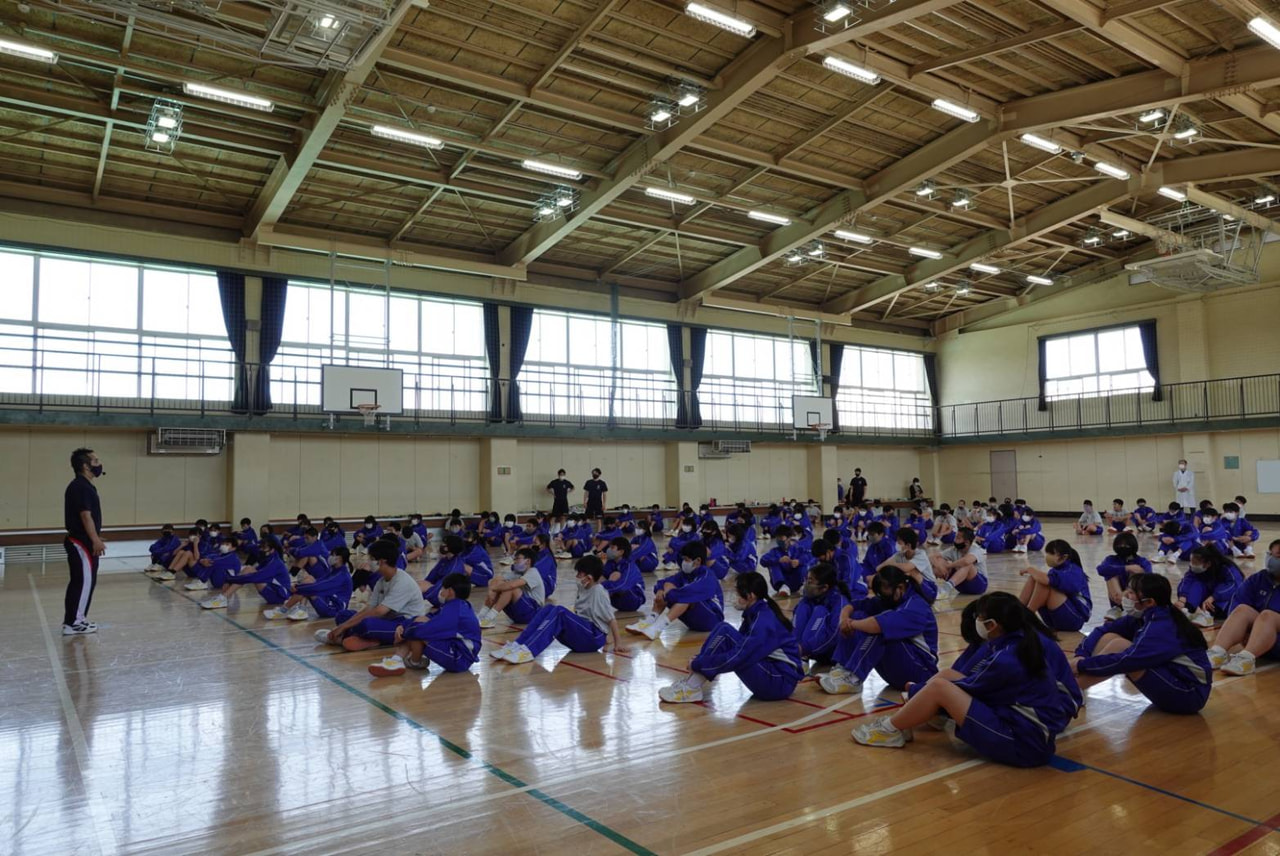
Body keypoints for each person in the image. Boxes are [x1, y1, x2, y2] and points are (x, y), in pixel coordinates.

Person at [852, 592, 1081, 764]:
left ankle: (890, 729)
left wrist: (916, 692)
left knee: (940, 688)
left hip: (1024, 742)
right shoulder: (1018, 641)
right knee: (945, 678)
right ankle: (905, 721)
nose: (977, 623)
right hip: (1028, 728)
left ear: (993, 625)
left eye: (980, 618)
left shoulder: (1009, 656)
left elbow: (973, 689)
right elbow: (971, 681)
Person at [1073, 574, 1211, 714]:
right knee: (1109, 637)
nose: (1126, 595)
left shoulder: (1162, 625)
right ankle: (1074, 687)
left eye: (1131, 592)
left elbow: (1127, 661)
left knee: (1120, 647)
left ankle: (1070, 690)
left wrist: (1080, 665)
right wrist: (1081, 655)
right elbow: (1102, 630)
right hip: (1170, 678)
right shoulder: (1143, 616)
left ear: (1149, 602)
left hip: (1189, 694)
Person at [658, 571, 803, 703]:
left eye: (738, 593)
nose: (735, 597)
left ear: (751, 596)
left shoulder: (763, 620)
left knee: (725, 632)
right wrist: (702, 661)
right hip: (771, 674)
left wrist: (700, 663)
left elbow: (739, 656)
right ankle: (692, 684)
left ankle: (691, 687)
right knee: (723, 629)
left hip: (778, 683)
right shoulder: (756, 612)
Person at [817, 566, 939, 695]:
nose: (882, 597)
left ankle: (854, 679)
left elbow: (878, 625)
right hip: (897, 672)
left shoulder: (916, 606)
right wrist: (844, 620)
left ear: (901, 587)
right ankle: (843, 668)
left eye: (885, 591)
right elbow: (852, 605)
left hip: (921, 672)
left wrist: (851, 625)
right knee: (859, 615)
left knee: (880, 631)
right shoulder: (891, 598)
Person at [491, 556, 623, 664]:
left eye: (580, 573)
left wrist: (617, 644)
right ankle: (517, 645)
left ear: (589, 577)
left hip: (593, 637)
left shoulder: (599, 592)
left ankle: (528, 651)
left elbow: (611, 620)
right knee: (548, 608)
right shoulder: (583, 586)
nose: (577, 576)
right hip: (583, 632)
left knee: (560, 611)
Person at [315, 540, 427, 650]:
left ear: (382, 561)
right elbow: (370, 608)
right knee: (343, 615)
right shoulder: (381, 581)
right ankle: (367, 639)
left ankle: (344, 637)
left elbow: (379, 611)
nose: (368, 562)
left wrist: (344, 627)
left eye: (372, 559)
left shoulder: (402, 581)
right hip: (387, 619)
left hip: (403, 624)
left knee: (366, 624)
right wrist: (345, 624)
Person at [367, 573, 483, 676]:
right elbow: (428, 617)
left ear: (450, 592)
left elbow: (429, 630)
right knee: (418, 622)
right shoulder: (456, 606)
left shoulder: (455, 610)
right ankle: (399, 660)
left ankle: (411, 661)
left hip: (459, 658)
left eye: (443, 588)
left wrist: (404, 632)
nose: (440, 591)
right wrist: (404, 625)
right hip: (455, 648)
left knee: (418, 631)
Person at [1206, 544, 1280, 676]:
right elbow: (1236, 608)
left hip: (1275, 641)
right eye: (1274, 555)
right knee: (1242, 609)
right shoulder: (1258, 579)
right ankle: (1218, 652)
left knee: (1268, 616)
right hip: (1255, 641)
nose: (1273, 559)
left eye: (1278, 556)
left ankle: (1247, 658)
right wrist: (1251, 634)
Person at [626, 541, 725, 640]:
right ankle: (649, 621)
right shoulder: (685, 574)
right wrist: (660, 590)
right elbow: (663, 582)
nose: (683, 563)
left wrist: (667, 593)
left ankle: (658, 628)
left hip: (712, 620)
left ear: (698, 560)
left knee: (686, 597)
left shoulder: (707, 576)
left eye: (686, 560)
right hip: (693, 622)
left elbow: (689, 593)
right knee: (667, 586)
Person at [62, 447, 106, 635]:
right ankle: (75, 622)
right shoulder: (80, 486)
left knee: (81, 581)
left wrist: (95, 536)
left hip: (83, 541)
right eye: (95, 461)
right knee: (83, 582)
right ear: (85, 466)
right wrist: (95, 540)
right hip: (81, 544)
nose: (99, 464)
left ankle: (73, 620)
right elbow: (85, 516)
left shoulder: (84, 486)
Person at [200, 536, 292, 610]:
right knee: (248, 569)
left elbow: (255, 577)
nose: (261, 550)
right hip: (272, 590)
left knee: (248, 570)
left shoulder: (275, 563)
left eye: (264, 548)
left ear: (272, 550)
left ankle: (223, 598)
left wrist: (231, 579)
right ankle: (223, 597)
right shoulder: (268, 560)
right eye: (261, 547)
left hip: (280, 596)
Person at [1018, 539, 1092, 632]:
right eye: (1047, 552)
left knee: (1044, 582)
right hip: (1054, 619)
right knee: (1034, 578)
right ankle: (1018, 610)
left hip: (1075, 619)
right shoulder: (1055, 570)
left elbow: (1048, 581)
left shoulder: (1073, 570)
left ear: (1064, 557)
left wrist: (1031, 569)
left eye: (1051, 553)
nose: (1047, 556)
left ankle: (1027, 615)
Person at [267, 545, 354, 621]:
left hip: (334, 609)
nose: (329, 556)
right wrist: (300, 586)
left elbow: (321, 586)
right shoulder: (334, 571)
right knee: (309, 580)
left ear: (339, 558)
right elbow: (320, 581)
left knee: (309, 587)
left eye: (332, 555)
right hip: (328, 600)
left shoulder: (342, 575)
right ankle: (301, 609)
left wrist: (298, 588)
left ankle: (283, 610)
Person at [793, 563, 853, 669]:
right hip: (812, 650)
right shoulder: (810, 598)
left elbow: (834, 635)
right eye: (807, 580)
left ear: (824, 587)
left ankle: (802, 654)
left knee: (820, 611)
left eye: (810, 581)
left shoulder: (839, 602)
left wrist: (805, 648)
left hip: (832, 653)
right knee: (803, 606)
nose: (806, 584)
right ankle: (798, 655)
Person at [1176, 546, 1244, 628]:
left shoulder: (1227, 568)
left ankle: (1208, 615)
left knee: (1227, 597)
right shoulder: (1194, 569)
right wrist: (1182, 598)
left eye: (1195, 563)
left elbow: (1234, 585)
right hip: (1208, 594)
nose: (1192, 565)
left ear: (1208, 564)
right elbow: (1187, 581)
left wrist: (1214, 597)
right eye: (1191, 562)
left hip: (1221, 597)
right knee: (1196, 584)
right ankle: (1188, 609)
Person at [1097, 532, 1152, 621]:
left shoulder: (1142, 561)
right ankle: (1118, 608)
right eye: (1120, 545)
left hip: (1135, 598)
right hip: (1116, 596)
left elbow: (1149, 579)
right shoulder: (1111, 559)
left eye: (1126, 545)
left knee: (1138, 571)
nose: (1123, 547)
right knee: (1110, 572)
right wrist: (1126, 568)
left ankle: (1129, 605)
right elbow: (1101, 569)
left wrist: (1127, 592)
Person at [931, 527, 988, 595]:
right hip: (961, 585)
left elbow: (966, 561)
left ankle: (945, 590)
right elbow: (932, 556)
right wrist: (940, 566)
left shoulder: (978, 550)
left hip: (978, 585)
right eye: (955, 537)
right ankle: (929, 586)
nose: (954, 540)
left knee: (967, 565)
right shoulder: (954, 549)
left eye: (958, 538)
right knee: (939, 561)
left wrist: (948, 566)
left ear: (966, 542)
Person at [759, 524, 810, 598]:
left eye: (781, 538)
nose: (779, 540)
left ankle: (802, 585)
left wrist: (799, 561)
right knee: (773, 564)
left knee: (803, 565)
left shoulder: (798, 549)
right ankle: (783, 586)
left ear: (789, 538)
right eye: (777, 538)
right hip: (780, 584)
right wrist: (778, 560)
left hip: (796, 581)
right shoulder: (774, 551)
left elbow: (810, 557)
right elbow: (763, 560)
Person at [602, 536, 645, 612]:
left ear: (621, 551)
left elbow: (623, 585)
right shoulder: (611, 563)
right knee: (598, 576)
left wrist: (601, 590)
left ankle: (599, 603)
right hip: (617, 601)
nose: (608, 550)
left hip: (633, 599)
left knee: (615, 575)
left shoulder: (629, 566)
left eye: (612, 548)